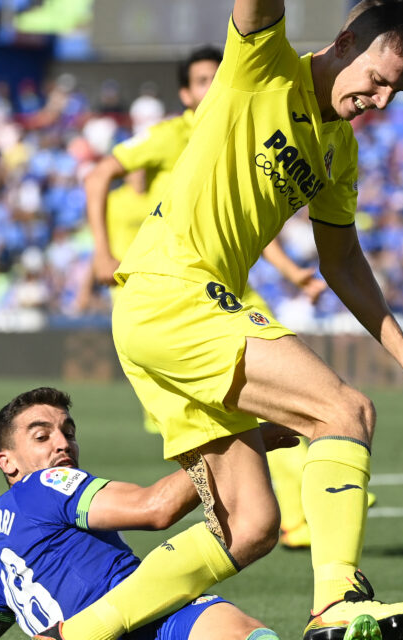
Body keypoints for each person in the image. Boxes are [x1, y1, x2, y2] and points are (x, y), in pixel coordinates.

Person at [42, 1, 403, 640]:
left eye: (396, 92)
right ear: (347, 40)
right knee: (343, 413)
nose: (380, 100)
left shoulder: (337, 152)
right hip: (174, 293)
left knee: (251, 528)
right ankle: (336, 603)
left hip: (162, 315)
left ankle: (74, 635)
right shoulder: (262, 65)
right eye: (379, 79)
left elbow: (344, 262)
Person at [83, 45, 332, 548]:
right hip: (168, 294)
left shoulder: (243, 126)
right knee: (210, 429)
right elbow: (100, 174)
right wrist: (101, 253)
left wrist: (293, 272)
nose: (210, 86)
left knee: (294, 398)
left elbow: (259, 222)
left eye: (216, 77)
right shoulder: (173, 136)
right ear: (184, 93)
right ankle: (269, 507)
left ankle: (306, 501)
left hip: (230, 288)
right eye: (200, 80)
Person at [0, 387, 383, 640]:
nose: (62, 444)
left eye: (68, 432)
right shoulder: (42, 484)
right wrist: (242, 444)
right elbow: (156, 508)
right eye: (42, 436)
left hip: (153, 613)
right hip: (138, 619)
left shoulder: (9, 574)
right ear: (8, 463)